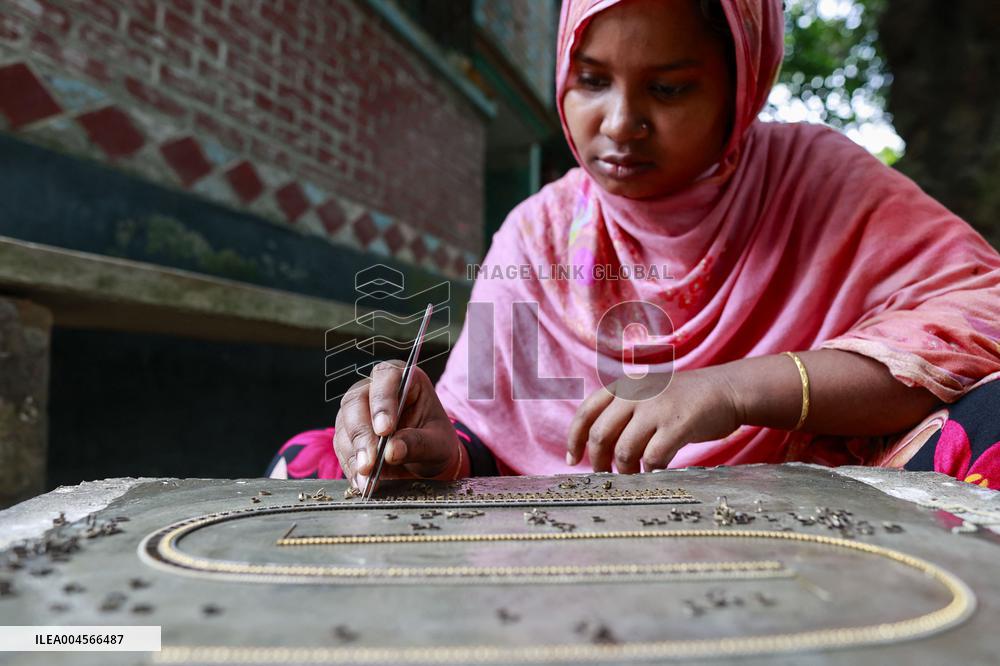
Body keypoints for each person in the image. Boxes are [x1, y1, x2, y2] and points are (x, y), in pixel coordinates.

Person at [267, 0, 1000, 490]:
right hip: (555, 531)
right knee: (312, 463)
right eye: (591, 81)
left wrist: (734, 388)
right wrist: (428, 442)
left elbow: (983, 315)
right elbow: (483, 435)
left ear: (741, 88)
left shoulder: (816, 181)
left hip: (809, 507)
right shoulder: (539, 230)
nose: (621, 124)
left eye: (670, 90)